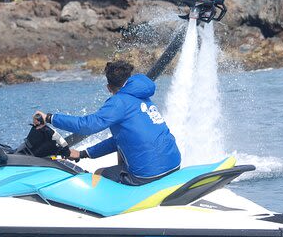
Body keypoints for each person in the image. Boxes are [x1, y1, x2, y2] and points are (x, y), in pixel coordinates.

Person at [33, 60, 181, 186]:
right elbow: (122, 139)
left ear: (109, 88)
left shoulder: (119, 102)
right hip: (174, 164)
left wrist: (49, 118)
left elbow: (87, 125)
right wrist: (82, 153)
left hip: (149, 174)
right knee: (122, 155)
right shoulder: (141, 96)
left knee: (99, 174)